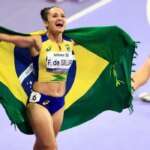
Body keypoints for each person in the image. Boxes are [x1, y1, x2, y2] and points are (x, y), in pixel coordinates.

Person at [0, 6, 74, 150]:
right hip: (39, 102)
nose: (60, 18)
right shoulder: (37, 41)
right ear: (46, 23)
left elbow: (95, 40)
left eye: (62, 15)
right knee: (51, 146)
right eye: (54, 16)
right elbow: (8, 38)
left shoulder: (70, 44)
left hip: (59, 103)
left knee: (42, 145)